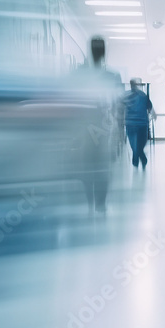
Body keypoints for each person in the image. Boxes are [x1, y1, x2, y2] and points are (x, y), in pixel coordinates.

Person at [73, 36, 123, 214]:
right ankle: (97, 203)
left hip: (97, 127)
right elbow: (118, 106)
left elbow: (118, 105)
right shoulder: (108, 76)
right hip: (96, 126)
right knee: (95, 166)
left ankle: (97, 202)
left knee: (94, 166)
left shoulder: (83, 74)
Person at [124, 78, 154, 169]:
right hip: (138, 123)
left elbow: (149, 107)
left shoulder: (129, 95)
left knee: (136, 144)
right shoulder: (142, 95)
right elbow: (150, 107)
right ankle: (141, 159)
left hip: (135, 123)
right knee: (138, 144)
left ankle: (138, 159)